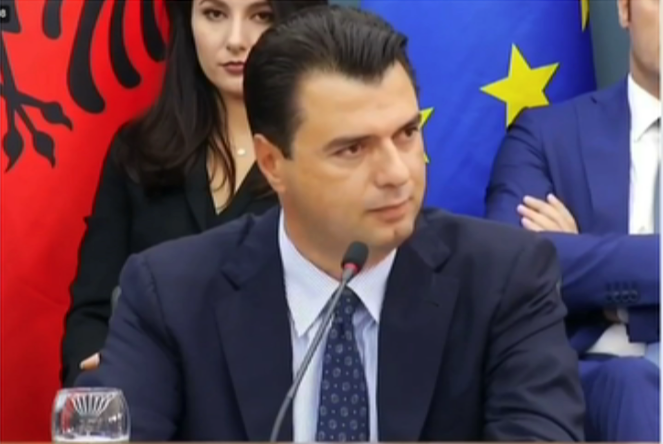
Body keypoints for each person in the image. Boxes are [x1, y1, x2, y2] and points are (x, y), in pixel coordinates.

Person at [78, 5, 585, 441]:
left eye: (406, 134)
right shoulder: (170, 296)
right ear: (273, 163)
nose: (396, 173)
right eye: (353, 149)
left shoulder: (505, 280)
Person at [60, 0, 328, 388]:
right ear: (187, 20)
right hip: (147, 402)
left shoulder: (326, 162)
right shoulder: (138, 152)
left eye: (261, 16)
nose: (235, 40)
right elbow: (93, 312)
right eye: (215, 14)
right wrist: (100, 388)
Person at [485, 0, 659, 441]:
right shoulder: (545, 135)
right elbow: (511, 270)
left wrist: (588, 264)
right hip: (597, 388)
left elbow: (554, 262)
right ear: (625, 10)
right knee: (631, 385)